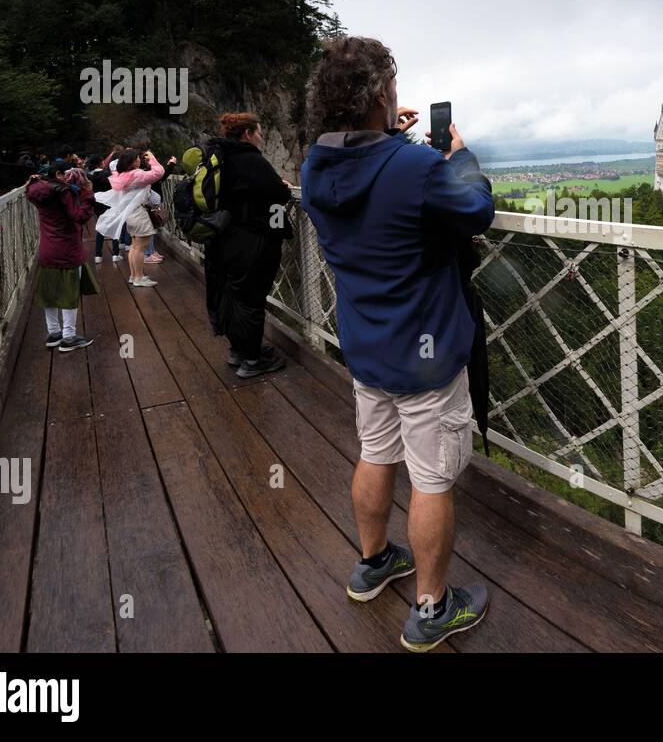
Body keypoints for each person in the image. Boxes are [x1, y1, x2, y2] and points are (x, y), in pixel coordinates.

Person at [300, 36, 495, 652]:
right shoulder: (415, 168)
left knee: (375, 453)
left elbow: (376, 189)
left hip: (366, 349)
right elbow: (475, 210)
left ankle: (373, 561)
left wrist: (388, 135)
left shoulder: (314, 166)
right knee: (432, 480)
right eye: (392, 90)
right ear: (381, 95)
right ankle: (432, 610)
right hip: (426, 354)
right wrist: (459, 158)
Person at [205, 112, 292, 378]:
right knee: (251, 298)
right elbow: (279, 192)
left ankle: (238, 351)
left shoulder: (219, 155)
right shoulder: (249, 159)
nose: (261, 138)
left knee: (230, 293)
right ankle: (252, 360)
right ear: (247, 134)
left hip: (222, 237)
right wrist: (284, 186)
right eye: (259, 133)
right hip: (250, 239)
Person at [25, 158, 100, 351]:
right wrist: (87, 193)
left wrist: (36, 179)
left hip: (47, 249)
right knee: (69, 292)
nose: (71, 176)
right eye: (68, 172)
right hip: (67, 250)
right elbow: (80, 216)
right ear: (58, 175)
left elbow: (29, 190)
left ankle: (54, 333)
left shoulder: (39, 189)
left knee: (50, 293)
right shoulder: (64, 192)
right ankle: (68, 337)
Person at [97, 147, 172, 286]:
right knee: (140, 247)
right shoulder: (137, 175)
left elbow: (113, 164)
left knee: (135, 246)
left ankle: (134, 275)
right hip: (140, 214)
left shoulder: (122, 175)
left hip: (132, 214)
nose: (139, 159)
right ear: (132, 161)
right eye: (137, 157)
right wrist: (152, 158)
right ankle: (139, 277)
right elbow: (159, 172)